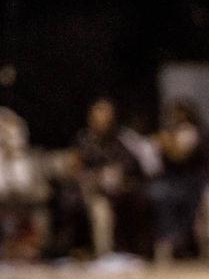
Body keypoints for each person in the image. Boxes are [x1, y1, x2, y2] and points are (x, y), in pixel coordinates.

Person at [52, 97, 148, 257]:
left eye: (107, 115)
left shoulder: (121, 139)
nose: (103, 119)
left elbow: (131, 167)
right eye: (99, 114)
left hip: (119, 192)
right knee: (99, 209)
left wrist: (118, 177)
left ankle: (129, 252)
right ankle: (103, 255)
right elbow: (74, 168)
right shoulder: (83, 140)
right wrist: (94, 177)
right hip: (89, 192)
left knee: (142, 199)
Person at [149, 99, 209, 259]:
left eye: (180, 113)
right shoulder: (169, 132)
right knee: (158, 194)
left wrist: (168, 144)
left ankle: (185, 243)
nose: (176, 117)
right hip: (175, 180)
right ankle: (169, 241)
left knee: (185, 197)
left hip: (199, 178)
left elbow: (181, 156)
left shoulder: (197, 132)